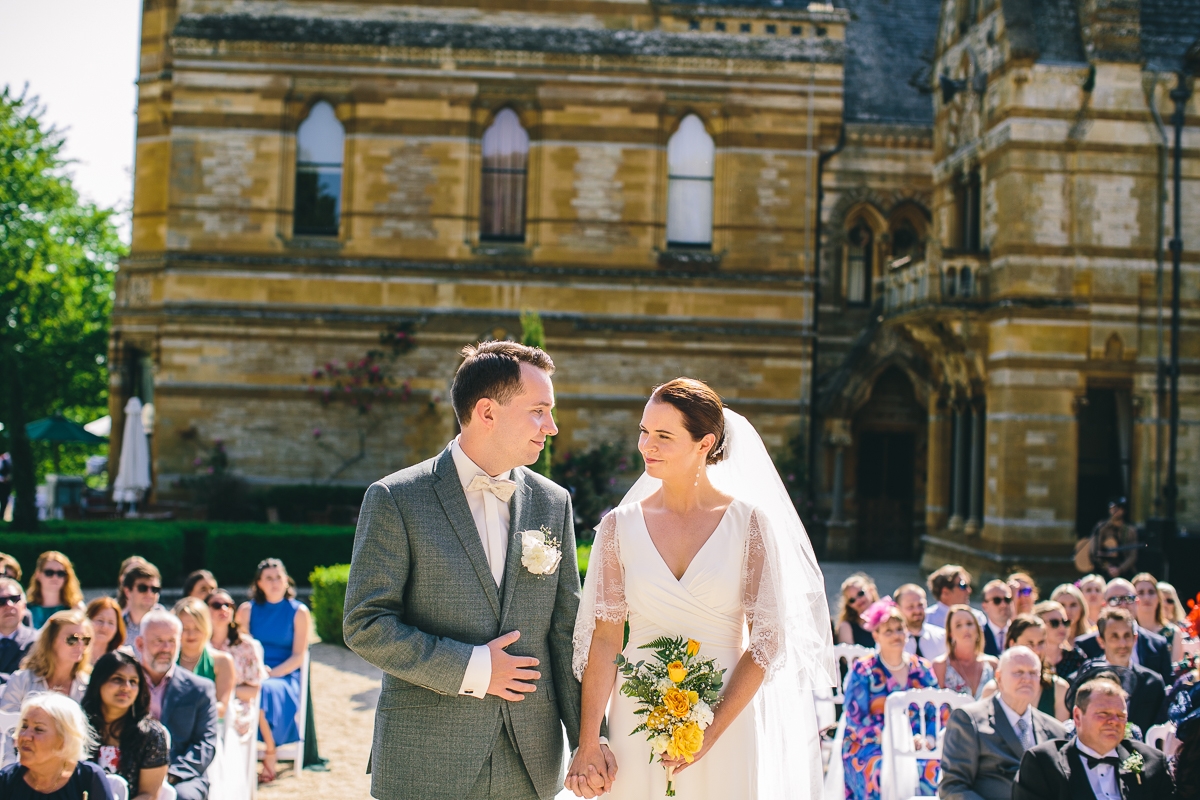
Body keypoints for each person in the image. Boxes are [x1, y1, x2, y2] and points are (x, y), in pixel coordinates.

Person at [344, 342, 608, 800]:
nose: (552, 426)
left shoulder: (553, 502)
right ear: (487, 412)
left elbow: (566, 633)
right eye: (539, 411)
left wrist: (590, 740)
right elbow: (365, 624)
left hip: (531, 763)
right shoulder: (396, 498)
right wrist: (474, 667)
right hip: (427, 760)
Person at [570, 378, 836, 800]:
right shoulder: (617, 527)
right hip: (635, 721)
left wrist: (709, 732)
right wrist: (588, 741)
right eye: (644, 431)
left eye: (663, 435)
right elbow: (605, 641)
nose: (646, 445)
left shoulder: (749, 525)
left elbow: (767, 639)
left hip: (726, 722)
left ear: (704, 443)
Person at [939, 646, 1067, 800]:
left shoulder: (1056, 732)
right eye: (1018, 672)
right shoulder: (969, 721)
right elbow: (953, 787)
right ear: (998, 678)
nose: (1027, 678)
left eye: (1033, 673)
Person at [1012, 677, 1172, 800]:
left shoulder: (1151, 761)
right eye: (1104, 714)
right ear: (1077, 716)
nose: (1114, 721)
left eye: (1120, 715)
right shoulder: (1043, 763)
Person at [843, 602, 939, 800]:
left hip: (918, 743)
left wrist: (928, 738)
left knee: (933, 767)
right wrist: (894, 739)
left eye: (899, 629)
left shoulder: (922, 668)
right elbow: (855, 719)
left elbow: (937, 712)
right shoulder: (864, 669)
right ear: (876, 635)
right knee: (880, 769)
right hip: (872, 743)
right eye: (888, 631)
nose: (896, 635)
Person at [234, 560, 309, 783]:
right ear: (259, 583)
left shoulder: (299, 611)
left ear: (286, 580)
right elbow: (240, 649)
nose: (275, 582)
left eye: (279, 577)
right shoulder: (246, 610)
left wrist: (271, 673)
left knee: (261, 689)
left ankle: (270, 750)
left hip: (284, 675)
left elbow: (298, 656)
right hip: (252, 671)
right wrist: (257, 671)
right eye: (269, 578)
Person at [136, 609, 219, 800]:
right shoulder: (126, 684)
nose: (166, 648)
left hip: (181, 776)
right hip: (132, 769)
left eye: (172, 641)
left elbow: (205, 744)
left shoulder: (200, 689)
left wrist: (170, 775)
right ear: (140, 643)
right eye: (158, 641)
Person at [80, 651, 170, 800]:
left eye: (133, 682)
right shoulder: (78, 726)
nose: (126, 687)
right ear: (98, 682)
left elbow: (148, 794)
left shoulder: (151, 735)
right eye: (117, 679)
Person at [1068, 608, 1167, 735]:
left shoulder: (1153, 683)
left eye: (1127, 636)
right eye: (1114, 636)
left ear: (1135, 638)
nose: (1122, 644)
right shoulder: (1082, 681)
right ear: (1101, 641)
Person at [0, 692, 114, 800]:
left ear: (64, 739)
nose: (25, 736)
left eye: (38, 729)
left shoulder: (88, 778)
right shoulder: (7, 780)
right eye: (24, 726)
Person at [1075, 579, 1173, 684]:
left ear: (1137, 602)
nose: (1123, 604)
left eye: (1128, 598)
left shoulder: (1158, 644)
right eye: (1114, 599)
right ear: (1104, 605)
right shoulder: (1085, 645)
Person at [0, 609, 91, 712]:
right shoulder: (21, 680)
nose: (80, 645)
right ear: (50, 641)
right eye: (72, 639)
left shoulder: (90, 685)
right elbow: (7, 720)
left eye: (85, 639)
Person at [206, 589, 265, 731]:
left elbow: (256, 690)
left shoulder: (246, 646)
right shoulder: (198, 644)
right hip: (202, 703)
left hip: (236, 707)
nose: (224, 609)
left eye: (228, 605)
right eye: (216, 605)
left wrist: (225, 692)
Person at [173, 598, 235, 721]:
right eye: (185, 628)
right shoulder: (169, 661)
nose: (191, 634)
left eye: (197, 628)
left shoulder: (222, 661)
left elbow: (221, 709)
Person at [999, 615, 1070, 721]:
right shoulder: (993, 690)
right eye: (1030, 644)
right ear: (1012, 644)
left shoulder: (1060, 689)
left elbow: (1060, 730)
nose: (1036, 650)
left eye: (1041, 643)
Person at [933, 604, 999, 700]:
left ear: (977, 629)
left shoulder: (992, 664)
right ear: (951, 634)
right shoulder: (940, 666)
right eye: (958, 625)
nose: (965, 629)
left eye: (969, 623)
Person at [1132, 572, 1185, 666]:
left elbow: (1175, 672)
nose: (1146, 597)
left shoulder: (1173, 633)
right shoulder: (1127, 632)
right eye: (1140, 593)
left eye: (1151, 592)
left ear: (1158, 598)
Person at [26, 552, 84, 630]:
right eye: (49, 572)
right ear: (38, 575)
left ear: (66, 577)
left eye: (60, 573)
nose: (55, 577)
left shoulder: (76, 608)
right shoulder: (26, 609)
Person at [1088, 497, 1140, 580]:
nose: (1115, 510)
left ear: (1124, 510)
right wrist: (1107, 567)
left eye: (1119, 508)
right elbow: (1094, 551)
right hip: (1104, 571)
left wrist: (1120, 569)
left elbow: (1133, 555)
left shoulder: (1130, 531)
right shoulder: (1101, 528)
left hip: (1125, 571)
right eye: (1113, 508)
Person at [1034, 600, 1087, 681]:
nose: (1062, 627)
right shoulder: (1032, 658)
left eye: (1065, 622)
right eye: (1054, 623)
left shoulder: (1076, 657)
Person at [896, 583, 947, 660]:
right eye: (910, 607)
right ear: (898, 608)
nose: (917, 611)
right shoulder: (891, 642)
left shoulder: (942, 638)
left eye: (920, 605)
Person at [0, 577, 37, 683]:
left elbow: (32, 680)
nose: (9, 605)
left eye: (14, 599)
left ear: (24, 606)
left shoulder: (38, 642)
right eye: (1, 601)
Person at [120, 564, 165, 649]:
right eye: (143, 588)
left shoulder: (168, 624)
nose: (149, 593)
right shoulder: (116, 625)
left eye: (154, 589)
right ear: (127, 592)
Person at [836, 573, 878, 648]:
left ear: (870, 590)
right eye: (852, 600)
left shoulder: (887, 617)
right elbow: (848, 655)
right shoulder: (846, 627)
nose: (858, 600)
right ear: (849, 605)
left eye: (860, 593)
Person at [85, 597, 125, 667]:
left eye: (111, 623)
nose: (105, 627)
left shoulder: (122, 660)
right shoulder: (75, 655)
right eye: (100, 620)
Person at [980, 580, 1012, 657]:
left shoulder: (1020, 633)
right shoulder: (978, 635)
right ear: (985, 606)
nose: (1003, 605)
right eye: (997, 600)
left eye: (1007, 599)